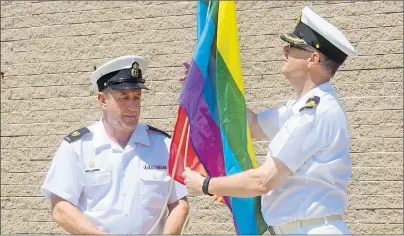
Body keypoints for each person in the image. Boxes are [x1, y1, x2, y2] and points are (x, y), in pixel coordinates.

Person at [182, 7, 357, 235]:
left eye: (293, 47)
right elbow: (252, 125)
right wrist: (209, 83)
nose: (285, 51)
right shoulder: (302, 107)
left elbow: (264, 180)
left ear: (313, 59)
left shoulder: (315, 112)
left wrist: (206, 185)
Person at [41, 56, 189, 234]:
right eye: (124, 97)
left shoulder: (163, 145)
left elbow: (179, 203)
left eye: (137, 97)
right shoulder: (78, 146)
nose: (132, 106)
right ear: (102, 100)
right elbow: (60, 207)